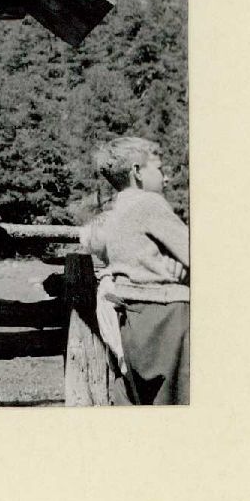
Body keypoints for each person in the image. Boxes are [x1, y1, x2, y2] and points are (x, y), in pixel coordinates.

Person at [79, 136, 190, 405]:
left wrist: (170, 258)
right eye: (159, 169)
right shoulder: (149, 204)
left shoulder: (117, 211)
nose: (166, 178)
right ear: (137, 171)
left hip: (133, 320)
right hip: (167, 317)